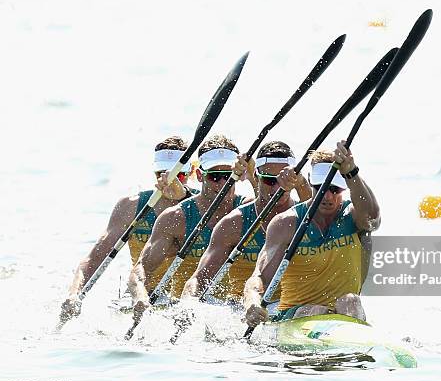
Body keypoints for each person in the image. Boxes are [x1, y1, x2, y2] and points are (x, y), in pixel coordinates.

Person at [59, 136, 195, 324]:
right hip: (139, 295)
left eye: (177, 176)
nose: (168, 182)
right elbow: (95, 257)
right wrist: (74, 294)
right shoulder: (130, 206)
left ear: (193, 172)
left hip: (187, 300)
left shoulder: (207, 207)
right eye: (161, 175)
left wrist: (184, 197)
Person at [243, 141, 380, 328]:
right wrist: (252, 302)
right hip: (296, 314)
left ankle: (354, 349)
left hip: (345, 312)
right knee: (315, 309)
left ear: (344, 187)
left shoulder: (355, 217)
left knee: (350, 301)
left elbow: (373, 219)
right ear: (310, 181)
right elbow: (260, 277)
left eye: (335, 189)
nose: (328, 197)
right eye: (321, 188)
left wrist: (352, 172)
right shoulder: (287, 223)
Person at [128, 134, 255, 319]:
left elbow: (281, 214)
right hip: (184, 306)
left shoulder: (250, 210)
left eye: (228, 176)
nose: (222, 184)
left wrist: (253, 176)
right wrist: (140, 296)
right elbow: (140, 270)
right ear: (199, 175)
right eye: (214, 177)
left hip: (236, 308)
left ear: (239, 174)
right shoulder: (176, 217)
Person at [181, 141, 311, 308]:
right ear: (256, 177)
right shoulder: (233, 223)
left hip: (292, 307)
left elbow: (314, 200)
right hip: (242, 308)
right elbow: (199, 280)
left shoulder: (307, 215)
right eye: (270, 181)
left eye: (284, 180)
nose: (278, 187)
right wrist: (188, 306)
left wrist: (301, 183)